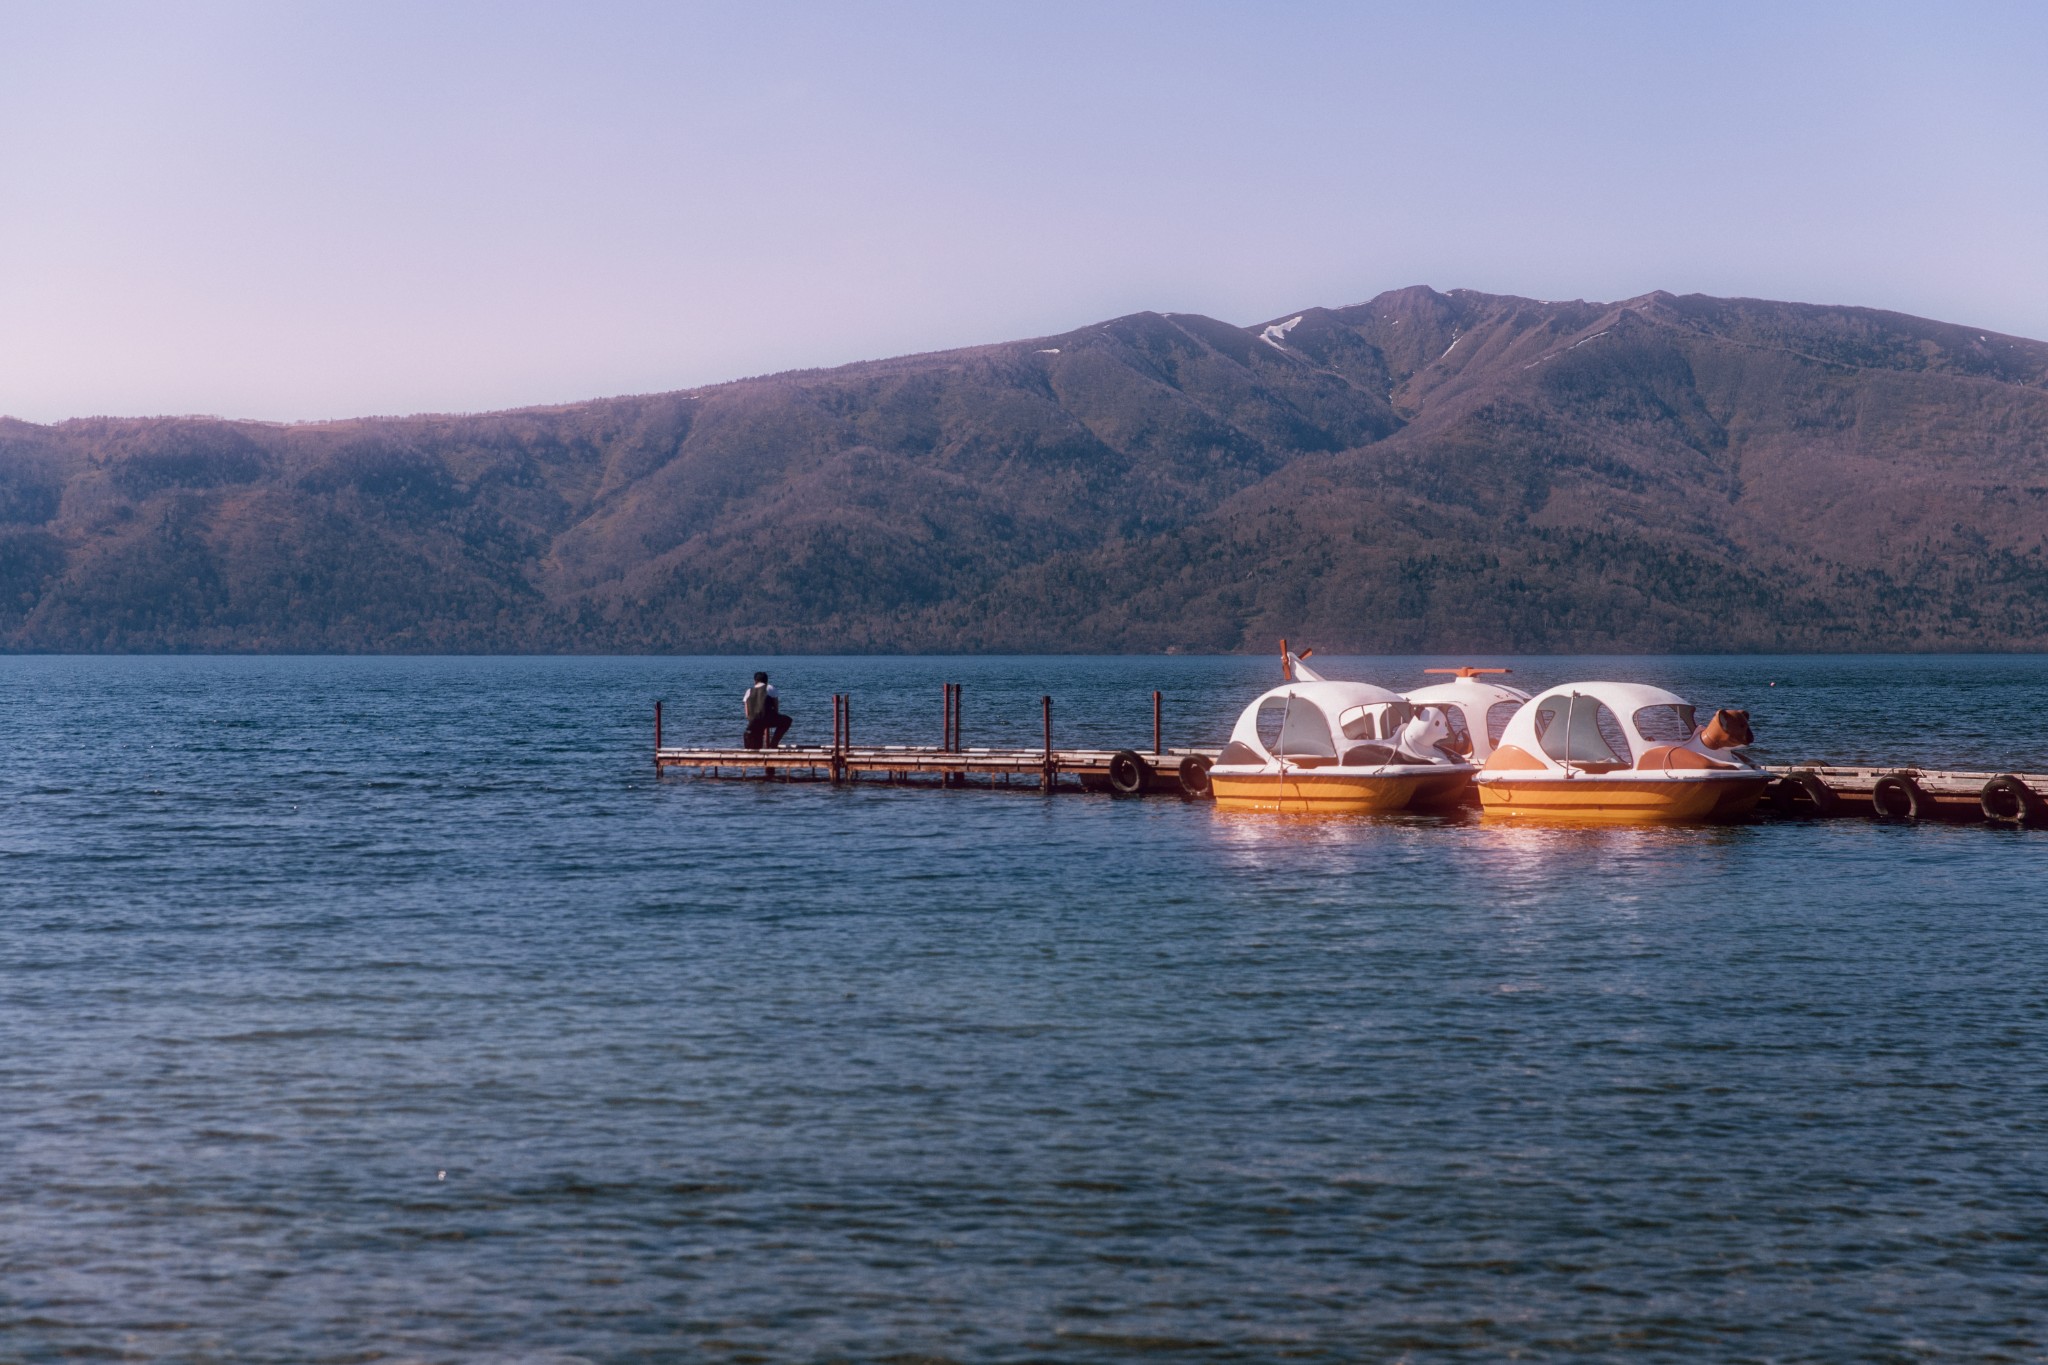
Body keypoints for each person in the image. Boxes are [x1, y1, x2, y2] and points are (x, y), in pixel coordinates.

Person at [742, 671, 792, 749]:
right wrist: (774, 715)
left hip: (752, 722)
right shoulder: (770, 688)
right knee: (787, 720)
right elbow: (776, 706)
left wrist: (752, 719)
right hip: (767, 718)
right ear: (766, 681)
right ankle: (773, 744)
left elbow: (747, 712)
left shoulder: (748, 691)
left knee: (757, 744)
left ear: (755, 681)